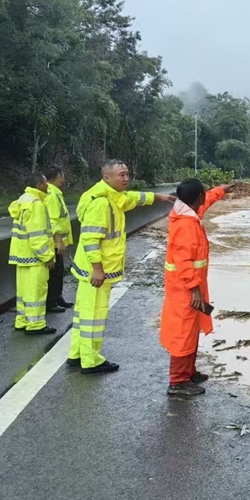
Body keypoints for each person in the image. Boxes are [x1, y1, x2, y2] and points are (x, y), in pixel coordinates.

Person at [67, 160, 175, 374]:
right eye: (121, 175)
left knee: (84, 313)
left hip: (94, 268)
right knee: (94, 316)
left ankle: (77, 354)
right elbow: (90, 239)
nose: (126, 179)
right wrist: (97, 269)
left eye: (127, 174)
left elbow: (133, 198)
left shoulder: (112, 196)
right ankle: (91, 360)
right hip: (96, 270)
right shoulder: (101, 203)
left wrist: (159, 197)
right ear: (107, 177)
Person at [160, 178, 232, 396]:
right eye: (203, 194)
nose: (204, 198)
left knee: (192, 330)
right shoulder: (186, 225)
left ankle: (188, 372)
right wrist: (194, 289)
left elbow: (206, 200)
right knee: (183, 332)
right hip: (185, 289)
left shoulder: (188, 214)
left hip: (189, 286)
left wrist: (220, 190)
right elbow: (184, 262)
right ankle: (178, 381)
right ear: (197, 198)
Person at [8, 173, 57, 335]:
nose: (47, 185)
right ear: (38, 185)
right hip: (35, 257)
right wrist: (47, 255)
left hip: (21, 255)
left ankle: (21, 320)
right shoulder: (37, 204)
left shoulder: (22, 200)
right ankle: (35, 324)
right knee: (36, 291)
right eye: (45, 182)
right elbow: (37, 235)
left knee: (23, 292)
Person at [44, 165, 74, 312]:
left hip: (57, 240)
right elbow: (53, 220)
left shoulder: (56, 193)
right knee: (54, 272)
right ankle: (51, 301)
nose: (64, 179)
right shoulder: (51, 194)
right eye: (62, 176)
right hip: (53, 242)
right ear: (56, 176)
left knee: (59, 270)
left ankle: (57, 297)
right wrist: (59, 241)